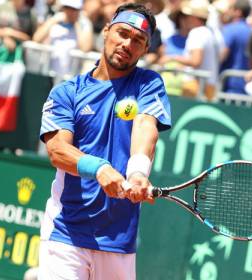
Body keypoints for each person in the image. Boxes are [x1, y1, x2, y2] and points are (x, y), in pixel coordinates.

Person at [38, 3, 172, 279]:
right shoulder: (66, 93)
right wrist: (98, 168)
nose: (127, 44)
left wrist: (137, 173)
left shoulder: (149, 84)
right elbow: (57, 151)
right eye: (122, 33)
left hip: (119, 239)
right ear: (107, 31)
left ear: (145, 49)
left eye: (138, 40)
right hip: (66, 233)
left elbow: (145, 126)